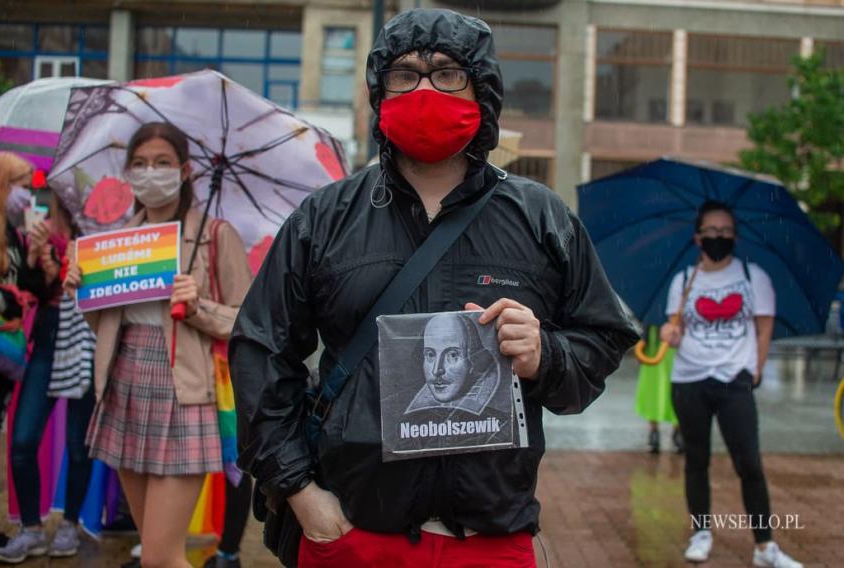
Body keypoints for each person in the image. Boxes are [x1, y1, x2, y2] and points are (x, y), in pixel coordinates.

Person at [230, 8, 638, 567]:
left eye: (447, 72)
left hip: (491, 539)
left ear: (482, 90)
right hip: (352, 532)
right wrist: (301, 494)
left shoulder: (542, 217)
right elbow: (261, 351)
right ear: (381, 89)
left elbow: (603, 338)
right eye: (405, 73)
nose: (425, 88)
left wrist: (548, 354)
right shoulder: (325, 218)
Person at [63, 122, 253, 568]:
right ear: (128, 172)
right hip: (124, 387)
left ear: (185, 170)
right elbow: (106, 327)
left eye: (163, 163)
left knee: (161, 558)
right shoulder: (112, 244)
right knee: (151, 550)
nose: (151, 173)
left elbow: (249, 321)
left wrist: (198, 306)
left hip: (185, 394)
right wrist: (82, 289)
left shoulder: (214, 234)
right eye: (141, 164)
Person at [660, 200, 801, 568]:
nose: (718, 237)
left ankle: (765, 546)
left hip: (733, 380)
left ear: (735, 236)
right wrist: (670, 333)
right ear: (697, 237)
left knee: (749, 463)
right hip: (689, 381)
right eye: (711, 231)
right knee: (696, 460)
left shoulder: (755, 277)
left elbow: (764, 327)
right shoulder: (683, 282)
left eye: (725, 231)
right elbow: (676, 333)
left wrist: (755, 368)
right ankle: (701, 532)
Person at [0, 192, 96, 563]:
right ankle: (31, 529)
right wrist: (42, 261)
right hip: (49, 334)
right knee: (22, 441)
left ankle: (69, 524)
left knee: (79, 444)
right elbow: (33, 289)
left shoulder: (104, 231)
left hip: (89, 334)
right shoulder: (35, 232)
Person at [0, 152, 50, 551]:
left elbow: (31, 292)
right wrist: (9, 302)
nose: (27, 195)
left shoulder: (14, 234)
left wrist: (35, 258)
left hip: (3, 358)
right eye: (22, 186)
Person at [407, 312, 500, 414]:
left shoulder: (498, 421)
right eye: (430, 354)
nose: (437, 370)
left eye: (452, 355)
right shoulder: (409, 424)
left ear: (472, 360)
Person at [635, 324, 683, 454]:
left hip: (674, 347)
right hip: (653, 347)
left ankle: (678, 430)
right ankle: (653, 431)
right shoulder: (652, 313)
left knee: (676, 390)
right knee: (653, 392)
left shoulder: (678, 309)